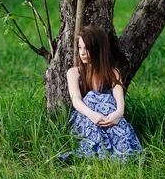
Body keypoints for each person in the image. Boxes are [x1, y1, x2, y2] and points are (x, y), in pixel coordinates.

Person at [58, 25, 142, 162]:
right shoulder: (73, 73)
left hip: (110, 119)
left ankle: (115, 150)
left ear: (98, 49)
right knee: (91, 98)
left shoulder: (113, 73)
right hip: (85, 119)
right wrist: (92, 115)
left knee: (108, 101)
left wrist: (118, 114)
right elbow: (76, 100)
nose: (82, 53)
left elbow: (119, 102)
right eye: (80, 48)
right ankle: (101, 151)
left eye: (87, 48)